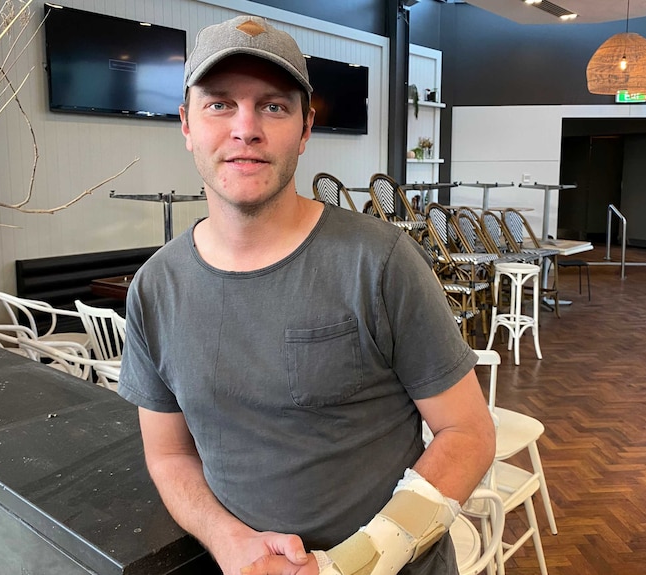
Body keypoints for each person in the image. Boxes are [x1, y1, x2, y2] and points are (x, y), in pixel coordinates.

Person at [117, 14, 495, 575]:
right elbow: (169, 454)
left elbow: (468, 433)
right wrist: (229, 542)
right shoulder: (155, 288)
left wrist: (347, 566)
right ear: (187, 124)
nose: (246, 128)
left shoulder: (381, 263)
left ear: (305, 127)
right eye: (220, 103)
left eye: (273, 106)